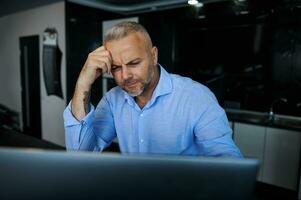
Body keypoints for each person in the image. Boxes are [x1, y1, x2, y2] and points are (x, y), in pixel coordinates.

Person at [63, 21, 242, 157]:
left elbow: (227, 161)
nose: (125, 76)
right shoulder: (112, 100)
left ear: (154, 55)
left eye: (133, 63)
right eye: (116, 68)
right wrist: (83, 83)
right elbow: (80, 153)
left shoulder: (196, 97)